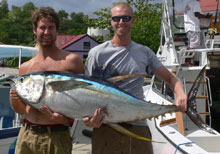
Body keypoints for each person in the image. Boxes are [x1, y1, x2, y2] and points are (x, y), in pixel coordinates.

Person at [83, 2, 187, 154]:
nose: (121, 22)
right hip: (105, 128)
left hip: (138, 128)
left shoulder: (144, 52)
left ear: (132, 21)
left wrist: (181, 94)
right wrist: (88, 121)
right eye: (116, 18)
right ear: (111, 21)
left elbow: (172, 80)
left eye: (126, 18)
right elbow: (86, 92)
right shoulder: (97, 53)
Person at [9, 7, 84, 154]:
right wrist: (14, 102)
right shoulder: (25, 68)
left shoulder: (71, 61)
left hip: (56, 137)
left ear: (57, 31)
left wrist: (64, 120)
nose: (46, 32)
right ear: (34, 31)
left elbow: (81, 101)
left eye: (51, 28)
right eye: (42, 27)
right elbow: (23, 110)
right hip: (26, 135)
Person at [184, 0, 212, 66]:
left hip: (188, 27)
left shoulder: (187, 3)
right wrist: (206, 17)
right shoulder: (195, 3)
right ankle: (187, 61)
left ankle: (188, 61)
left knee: (191, 45)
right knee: (193, 46)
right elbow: (196, 14)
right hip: (193, 27)